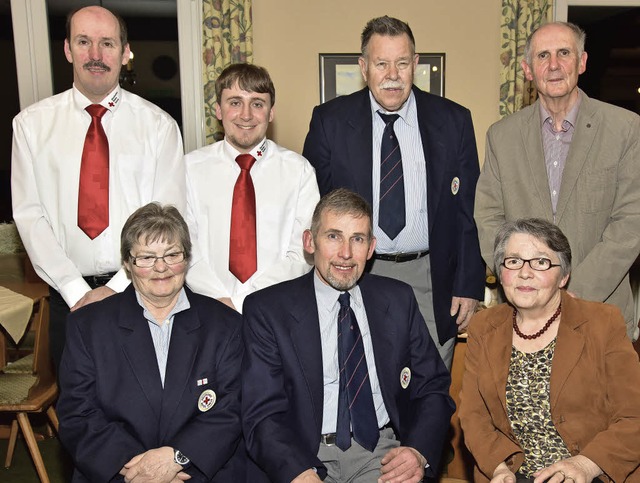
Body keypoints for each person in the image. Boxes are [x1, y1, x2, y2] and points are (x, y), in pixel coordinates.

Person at [302, 16, 485, 369]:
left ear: (415, 64)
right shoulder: (330, 122)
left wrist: (469, 284)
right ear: (363, 67)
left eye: (402, 63)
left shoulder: (454, 120)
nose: (393, 74)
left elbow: (469, 211)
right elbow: (313, 207)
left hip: (431, 278)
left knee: (429, 390)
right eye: (382, 63)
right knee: (360, 380)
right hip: (355, 273)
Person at [11, 6, 185, 371]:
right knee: (77, 416)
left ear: (125, 53)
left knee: (145, 412)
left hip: (141, 293)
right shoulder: (31, 125)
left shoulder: (159, 127)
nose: (95, 54)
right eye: (84, 42)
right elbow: (29, 217)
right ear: (67, 50)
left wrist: (118, 286)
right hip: (65, 298)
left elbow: (166, 218)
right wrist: (75, 290)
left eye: (107, 43)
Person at [242, 188, 455, 483]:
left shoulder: (397, 300)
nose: (345, 253)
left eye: (357, 239)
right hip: (305, 456)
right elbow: (261, 412)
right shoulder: (268, 310)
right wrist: (295, 470)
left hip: (381, 456)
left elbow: (432, 386)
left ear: (371, 248)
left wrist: (417, 451)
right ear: (309, 241)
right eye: (333, 236)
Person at [474, 21, 640, 341]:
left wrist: (571, 291)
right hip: (525, 315)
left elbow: (631, 222)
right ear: (526, 69)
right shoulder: (502, 136)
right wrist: (528, 284)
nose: (553, 65)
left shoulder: (626, 129)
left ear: (582, 62)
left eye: (564, 53)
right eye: (543, 56)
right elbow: (488, 218)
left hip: (599, 311)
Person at [57, 203, 243, 482]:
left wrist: (177, 459)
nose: (160, 268)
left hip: (198, 472)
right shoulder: (88, 327)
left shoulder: (225, 324)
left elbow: (233, 407)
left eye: (172, 255)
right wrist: (139, 470)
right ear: (127, 264)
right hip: (119, 475)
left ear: (187, 259)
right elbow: (78, 412)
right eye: (146, 257)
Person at [459, 218, 640, 482]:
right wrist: (498, 468)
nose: (524, 272)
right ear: (501, 272)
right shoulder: (484, 327)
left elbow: (634, 415)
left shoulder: (603, 323)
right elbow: (474, 416)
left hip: (592, 472)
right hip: (512, 473)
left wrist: (586, 465)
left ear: (564, 276)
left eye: (541, 262)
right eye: (513, 261)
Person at [185, 63, 319, 312]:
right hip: (207, 307)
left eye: (257, 104)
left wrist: (245, 301)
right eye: (234, 102)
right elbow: (184, 246)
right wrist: (220, 300)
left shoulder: (299, 171)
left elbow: (302, 252)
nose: (246, 115)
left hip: (275, 309)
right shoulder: (189, 169)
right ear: (217, 110)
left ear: (271, 113)